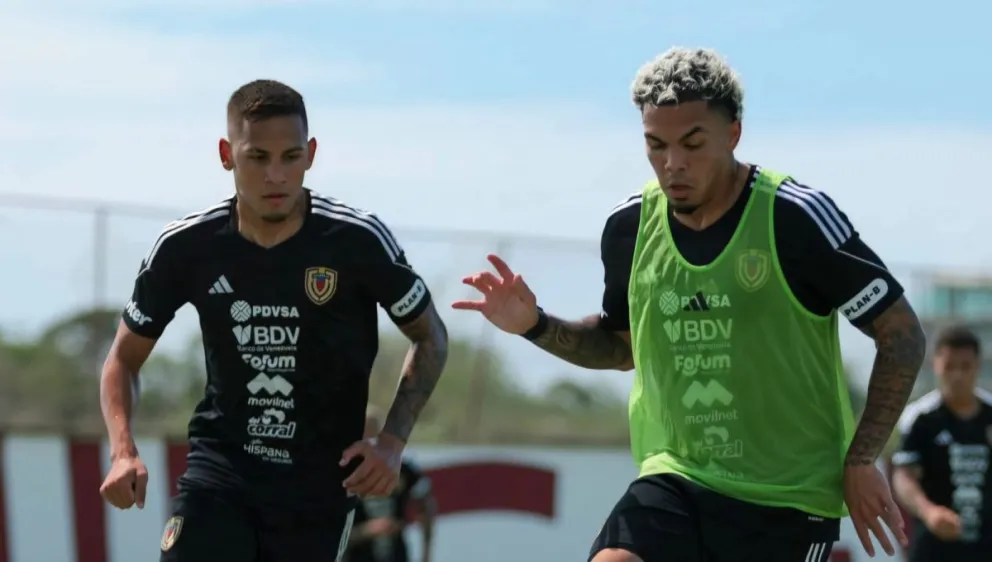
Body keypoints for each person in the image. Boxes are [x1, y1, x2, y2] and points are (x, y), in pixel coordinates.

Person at [452, 46, 927, 562]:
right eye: (655, 145)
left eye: (692, 143)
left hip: (786, 499)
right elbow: (621, 347)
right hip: (674, 476)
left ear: (733, 134)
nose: (672, 164)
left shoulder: (796, 218)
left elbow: (900, 335)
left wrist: (861, 459)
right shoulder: (630, 228)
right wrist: (536, 325)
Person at [97, 79, 449, 562]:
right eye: (257, 157)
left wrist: (391, 443)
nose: (276, 175)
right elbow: (123, 358)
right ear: (227, 154)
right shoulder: (186, 248)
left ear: (311, 154)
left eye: (291, 156)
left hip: (320, 490)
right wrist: (123, 451)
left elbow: (431, 337)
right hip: (220, 477)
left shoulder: (357, 241)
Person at [892, 326, 992, 561]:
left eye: (965, 366)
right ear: (935, 365)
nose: (957, 375)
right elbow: (904, 476)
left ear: (977, 366)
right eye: (949, 367)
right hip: (935, 548)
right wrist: (929, 511)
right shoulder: (919, 418)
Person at [343, 405, 436, 562]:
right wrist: (366, 531)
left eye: (374, 438)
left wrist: (426, 553)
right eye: (365, 437)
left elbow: (426, 504)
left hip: (396, 555)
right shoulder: (345, 471)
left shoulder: (402, 469)